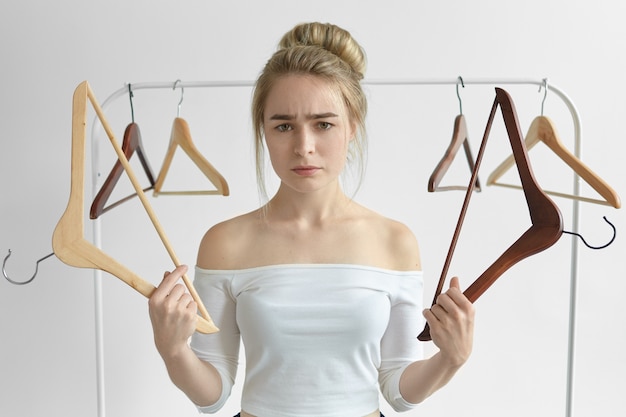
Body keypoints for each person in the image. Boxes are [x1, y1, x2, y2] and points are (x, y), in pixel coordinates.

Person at [148, 22, 475, 417]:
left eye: (323, 124)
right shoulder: (225, 242)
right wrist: (172, 349)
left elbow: (398, 389)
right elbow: (212, 394)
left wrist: (450, 359)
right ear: (263, 131)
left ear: (352, 126)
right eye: (284, 126)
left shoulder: (394, 241)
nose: (304, 147)